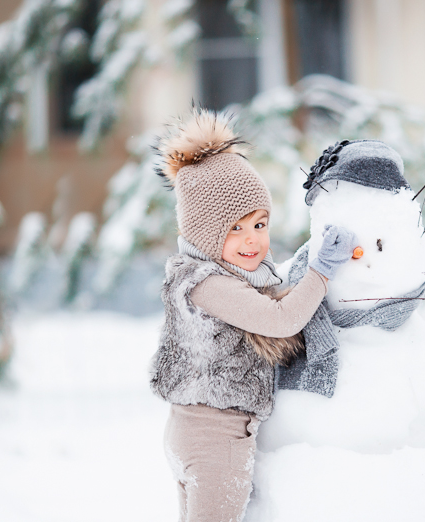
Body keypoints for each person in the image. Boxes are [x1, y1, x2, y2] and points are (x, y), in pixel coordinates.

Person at [149, 107, 358, 522]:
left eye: (260, 225)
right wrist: (320, 272)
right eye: (236, 228)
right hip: (216, 441)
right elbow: (281, 319)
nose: (253, 241)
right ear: (206, 233)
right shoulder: (210, 285)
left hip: (193, 432)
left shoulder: (210, 278)